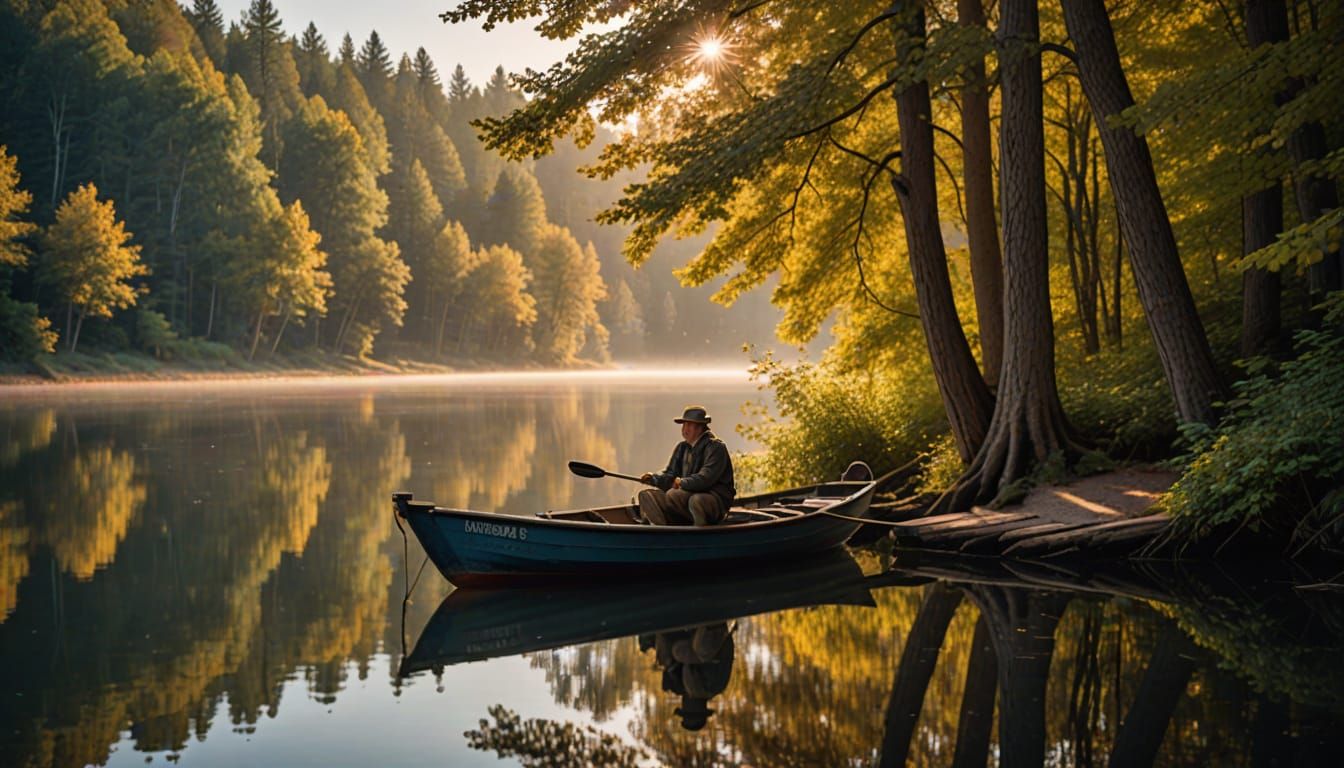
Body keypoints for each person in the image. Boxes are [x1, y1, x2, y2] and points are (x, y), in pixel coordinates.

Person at [638, 406, 736, 526]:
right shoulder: (682, 447)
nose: (685, 429)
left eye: (689, 425)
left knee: (694, 500)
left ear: (700, 427)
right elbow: (670, 474)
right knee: (647, 496)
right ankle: (664, 529)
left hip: (714, 500)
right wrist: (654, 478)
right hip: (687, 496)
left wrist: (682, 483)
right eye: (684, 425)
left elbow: (705, 478)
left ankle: (699, 534)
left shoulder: (716, 448)